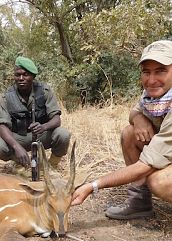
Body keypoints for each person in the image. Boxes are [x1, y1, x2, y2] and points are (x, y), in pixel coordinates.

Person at [72, 40, 172, 219]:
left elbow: (144, 167)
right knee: (129, 133)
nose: (151, 80)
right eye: (146, 72)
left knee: (160, 182)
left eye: (161, 71)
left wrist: (93, 185)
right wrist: (138, 118)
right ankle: (139, 203)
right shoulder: (154, 95)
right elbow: (135, 111)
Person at [0, 56, 71, 174]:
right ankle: (21, 163)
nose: (21, 78)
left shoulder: (45, 91)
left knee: (63, 135)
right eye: (17, 75)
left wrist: (44, 127)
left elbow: (56, 119)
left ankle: (51, 166)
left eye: (25, 75)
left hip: (41, 135)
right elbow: (3, 126)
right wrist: (16, 147)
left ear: (33, 76)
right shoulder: (6, 96)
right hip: (19, 137)